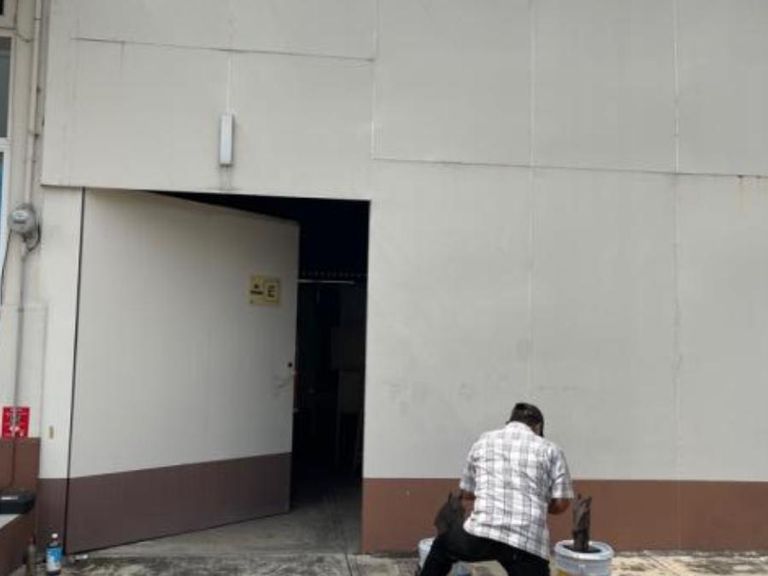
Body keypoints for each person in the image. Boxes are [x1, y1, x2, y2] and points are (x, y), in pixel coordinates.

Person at [420, 402, 573, 576]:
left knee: (442, 547)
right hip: (527, 540)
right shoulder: (551, 449)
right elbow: (562, 503)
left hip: (483, 531)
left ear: (509, 422)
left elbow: (468, 492)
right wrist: (540, 502)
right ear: (537, 426)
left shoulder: (483, 441)